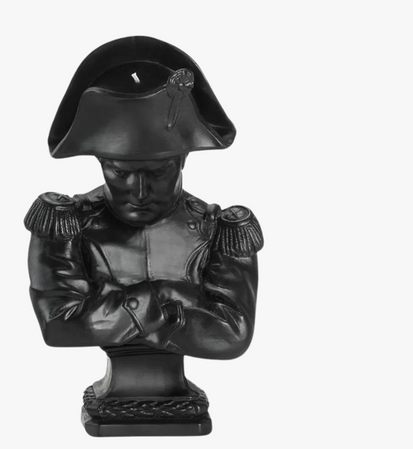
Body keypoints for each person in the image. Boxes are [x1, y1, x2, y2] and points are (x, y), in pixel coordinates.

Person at [25, 36, 263, 361]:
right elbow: (58, 326)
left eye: (158, 172)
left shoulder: (218, 230)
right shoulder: (67, 225)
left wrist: (113, 307)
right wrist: (170, 299)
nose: (139, 192)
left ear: (182, 160)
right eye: (120, 172)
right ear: (101, 162)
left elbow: (232, 337)